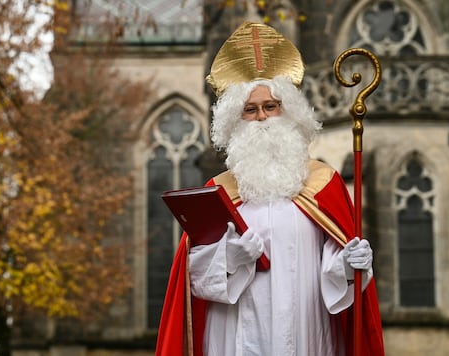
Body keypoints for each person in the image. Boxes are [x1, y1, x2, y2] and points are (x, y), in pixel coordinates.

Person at [155, 22, 384, 356]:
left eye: (270, 106)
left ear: (287, 111)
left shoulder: (324, 184)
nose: (262, 116)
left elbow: (335, 277)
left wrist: (349, 264)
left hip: (307, 331)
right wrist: (233, 256)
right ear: (236, 120)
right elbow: (196, 281)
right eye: (250, 109)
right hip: (234, 336)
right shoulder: (218, 191)